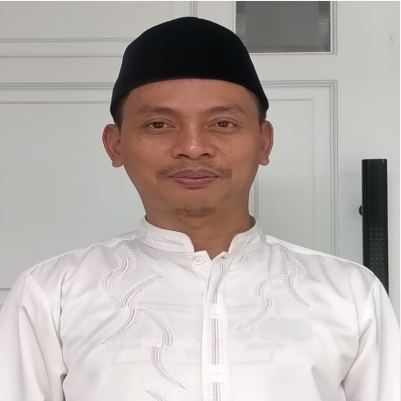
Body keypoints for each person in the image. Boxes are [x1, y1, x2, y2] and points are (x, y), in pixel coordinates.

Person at [0, 17, 398, 401]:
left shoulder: (349, 294)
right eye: (159, 124)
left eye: (222, 123)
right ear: (115, 144)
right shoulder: (52, 295)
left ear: (263, 142)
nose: (193, 147)